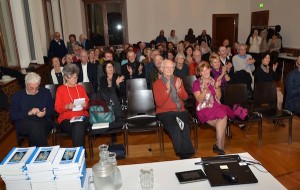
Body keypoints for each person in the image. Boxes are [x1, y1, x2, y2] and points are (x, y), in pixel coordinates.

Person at [153, 59, 195, 159]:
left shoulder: (178, 80)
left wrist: (179, 89)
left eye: (172, 67)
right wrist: (167, 91)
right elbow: (159, 103)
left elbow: (184, 97)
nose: (169, 69)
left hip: (180, 110)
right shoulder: (157, 84)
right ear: (162, 69)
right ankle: (185, 155)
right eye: (167, 67)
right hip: (164, 113)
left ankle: (184, 155)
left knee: (184, 126)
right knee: (175, 128)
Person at [192, 62, 234, 155]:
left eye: (207, 69)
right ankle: (219, 146)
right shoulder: (196, 83)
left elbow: (218, 97)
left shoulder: (214, 80)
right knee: (223, 121)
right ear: (199, 73)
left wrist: (217, 87)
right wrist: (205, 90)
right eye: (203, 71)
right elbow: (199, 99)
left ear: (210, 70)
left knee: (222, 116)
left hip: (215, 106)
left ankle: (219, 148)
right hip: (203, 108)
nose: (206, 72)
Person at [10, 72, 54, 146]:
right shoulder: (17, 96)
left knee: (36, 128)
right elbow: (13, 116)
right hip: (24, 123)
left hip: (44, 121)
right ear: (26, 85)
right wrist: (28, 112)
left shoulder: (45, 92)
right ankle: (44, 152)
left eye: (36, 88)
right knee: (35, 126)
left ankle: (37, 152)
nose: (34, 90)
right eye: (31, 88)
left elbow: (52, 110)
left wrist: (44, 113)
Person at [55, 64, 89, 147]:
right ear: (66, 77)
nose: (75, 79)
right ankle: (81, 154)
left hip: (82, 116)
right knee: (78, 128)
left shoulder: (80, 88)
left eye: (76, 77)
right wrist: (67, 107)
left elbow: (87, 104)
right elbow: (57, 109)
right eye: (72, 77)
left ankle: (78, 155)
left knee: (78, 126)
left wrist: (85, 105)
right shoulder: (61, 89)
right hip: (66, 119)